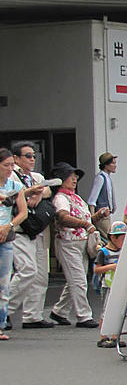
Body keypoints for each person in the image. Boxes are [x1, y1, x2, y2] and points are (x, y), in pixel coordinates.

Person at [8, 142, 55, 329]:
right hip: (18, 229)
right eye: (27, 156)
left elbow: (49, 187)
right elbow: (11, 195)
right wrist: (31, 192)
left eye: (34, 155)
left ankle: (32, 315)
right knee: (27, 271)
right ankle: (5, 310)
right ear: (16, 158)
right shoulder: (12, 175)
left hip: (35, 230)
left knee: (39, 275)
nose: (32, 159)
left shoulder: (35, 176)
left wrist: (39, 193)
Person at [49, 162, 101, 328]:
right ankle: (83, 315)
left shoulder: (75, 197)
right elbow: (62, 218)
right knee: (78, 279)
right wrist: (86, 225)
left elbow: (84, 218)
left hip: (80, 242)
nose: (74, 179)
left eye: (75, 176)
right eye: (70, 176)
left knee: (75, 279)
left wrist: (96, 217)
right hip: (68, 241)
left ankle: (60, 311)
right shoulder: (61, 198)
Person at [0, 148, 30, 339]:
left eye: (12, 165)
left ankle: (1, 324)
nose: (10, 169)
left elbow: (23, 212)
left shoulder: (14, 185)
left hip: (6, 236)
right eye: (6, 165)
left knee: (4, 284)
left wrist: (8, 226)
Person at [94, 221, 127, 348]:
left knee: (118, 310)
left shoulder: (123, 251)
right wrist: (112, 267)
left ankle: (115, 336)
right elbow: (97, 270)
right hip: (107, 285)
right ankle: (103, 336)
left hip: (120, 285)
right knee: (106, 311)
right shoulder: (104, 252)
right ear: (113, 237)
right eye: (122, 238)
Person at [87, 152, 116, 240]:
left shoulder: (107, 177)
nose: (115, 165)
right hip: (102, 216)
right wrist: (93, 216)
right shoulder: (100, 178)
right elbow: (92, 199)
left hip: (107, 214)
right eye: (112, 163)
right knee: (108, 238)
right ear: (106, 165)